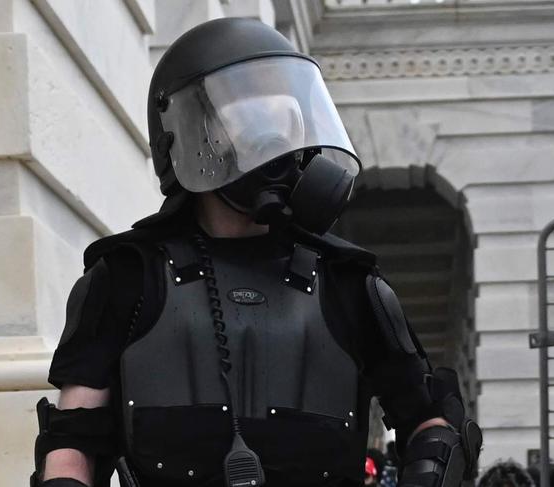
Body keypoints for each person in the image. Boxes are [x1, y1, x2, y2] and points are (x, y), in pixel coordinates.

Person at [30, 17, 482, 487]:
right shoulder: (125, 277)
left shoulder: (350, 283)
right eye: (251, 113)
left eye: (284, 114)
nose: (274, 139)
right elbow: (72, 442)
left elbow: (431, 429)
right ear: (193, 132)